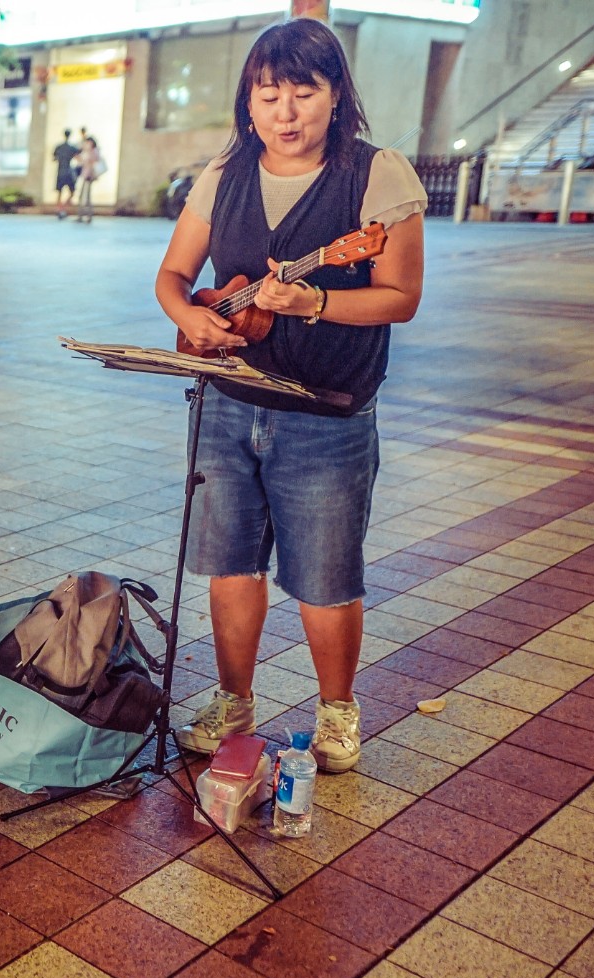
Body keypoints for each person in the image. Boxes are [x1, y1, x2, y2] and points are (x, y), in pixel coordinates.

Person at [154, 19, 426, 774]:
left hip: (328, 413)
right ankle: (233, 699)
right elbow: (173, 277)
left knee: (326, 576)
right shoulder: (225, 172)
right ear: (248, 101)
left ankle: (337, 711)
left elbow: (400, 295)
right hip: (227, 401)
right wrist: (192, 319)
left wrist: (317, 304)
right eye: (268, 93)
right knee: (229, 564)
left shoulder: (377, 175)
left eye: (303, 92)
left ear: (336, 96)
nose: (285, 111)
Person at [75, 132, 103, 222]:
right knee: (84, 196)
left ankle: (86, 216)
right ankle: (83, 215)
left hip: (89, 175)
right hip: (86, 174)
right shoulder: (89, 152)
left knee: (86, 197)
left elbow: (92, 162)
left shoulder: (94, 152)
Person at [51, 128, 79, 218]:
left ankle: (60, 209)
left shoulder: (58, 147)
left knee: (59, 192)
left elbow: (54, 158)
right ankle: (63, 208)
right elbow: (78, 156)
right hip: (68, 171)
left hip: (60, 171)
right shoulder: (72, 147)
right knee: (72, 192)